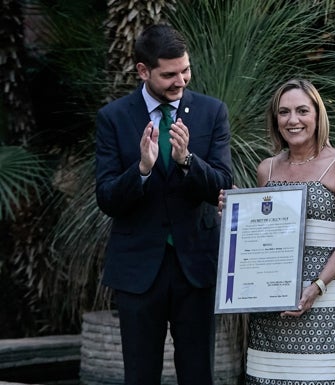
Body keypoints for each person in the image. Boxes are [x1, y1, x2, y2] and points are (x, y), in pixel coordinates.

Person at [95, 24, 232, 385]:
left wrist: (188, 160)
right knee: (140, 375)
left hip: (197, 267)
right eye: (169, 74)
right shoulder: (114, 118)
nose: (181, 80)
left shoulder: (211, 112)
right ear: (143, 71)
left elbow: (222, 183)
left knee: (198, 374)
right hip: (138, 270)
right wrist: (140, 169)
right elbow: (107, 198)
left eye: (185, 70)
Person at [224, 79, 335, 385]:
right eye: (284, 112)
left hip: (322, 296)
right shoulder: (268, 169)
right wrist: (238, 208)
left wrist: (315, 287)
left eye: (302, 110)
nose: (293, 120)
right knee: (264, 378)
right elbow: (266, 233)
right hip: (271, 299)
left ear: (318, 115)